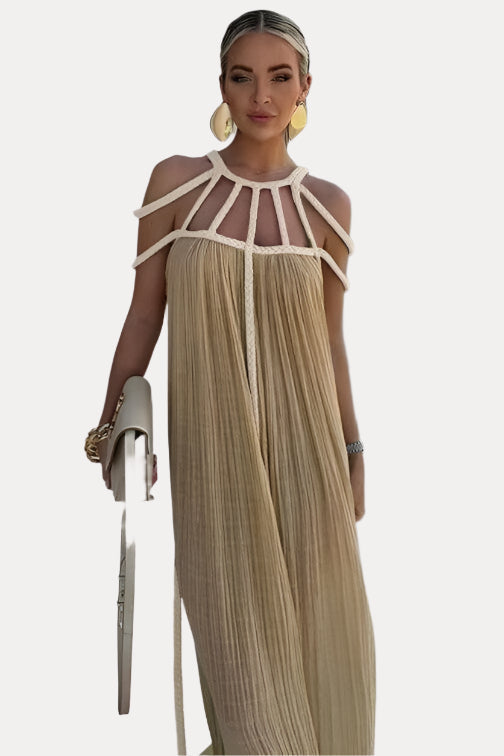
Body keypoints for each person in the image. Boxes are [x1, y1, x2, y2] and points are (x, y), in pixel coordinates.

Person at [85, 9, 376, 755]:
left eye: (280, 77)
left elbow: (331, 342)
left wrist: (353, 451)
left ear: (306, 87)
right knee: (249, 695)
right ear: (221, 85)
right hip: (214, 460)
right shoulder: (177, 184)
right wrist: (112, 424)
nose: (261, 96)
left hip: (309, 461)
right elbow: (144, 313)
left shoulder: (328, 207)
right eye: (243, 77)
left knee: (323, 668)